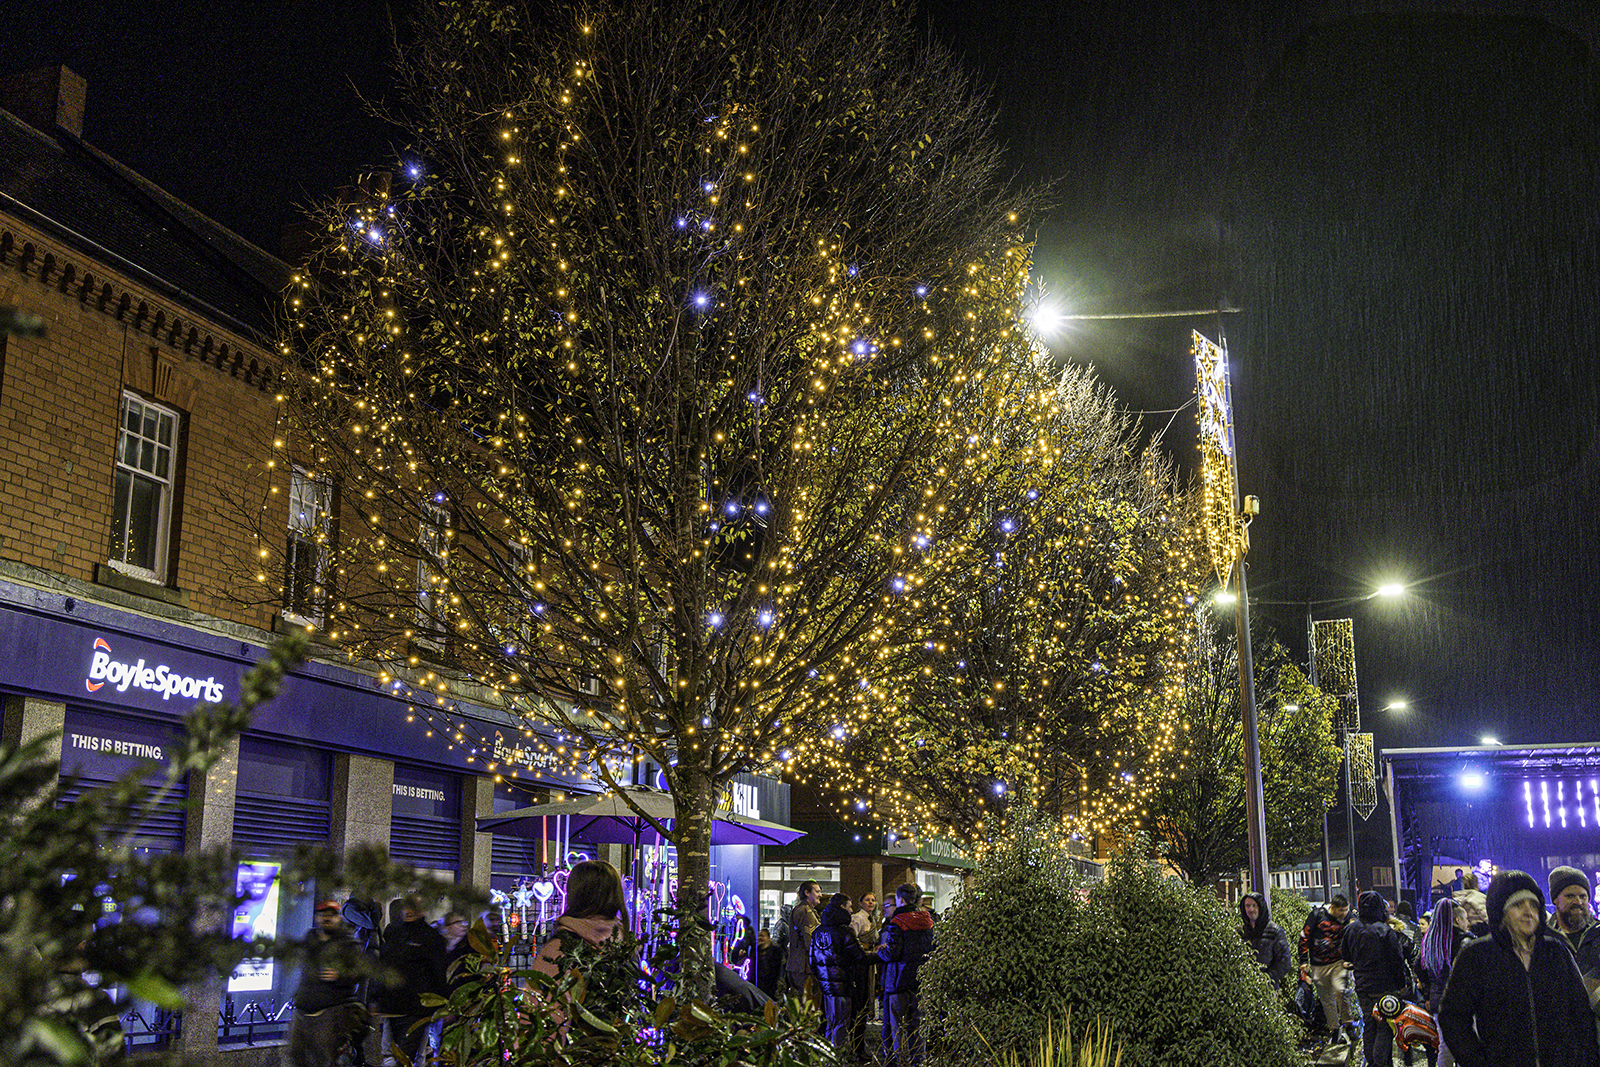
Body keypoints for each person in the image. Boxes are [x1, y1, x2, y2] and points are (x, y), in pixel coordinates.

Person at [1439, 868, 1600, 1067]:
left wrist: (1585, 1060)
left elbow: (1581, 1014)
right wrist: (1478, 1062)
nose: (1528, 912)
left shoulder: (1555, 951)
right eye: (1517, 905)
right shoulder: (1477, 955)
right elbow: (1453, 1018)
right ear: (1501, 910)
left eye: (1533, 905)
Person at [285, 900, 363, 1067]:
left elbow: (359, 973)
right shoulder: (310, 937)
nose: (327, 918)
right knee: (294, 1056)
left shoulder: (348, 943)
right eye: (323, 915)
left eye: (332, 915)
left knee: (324, 1059)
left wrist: (339, 975)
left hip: (329, 1012)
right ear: (316, 917)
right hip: (302, 1009)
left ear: (338, 918)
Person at [374, 894, 447, 1067]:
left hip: (415, 1009)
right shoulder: (394, 934)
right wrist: (375, 997)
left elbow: (438, 973)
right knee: (389, 1055)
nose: (408, 911)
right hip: (391, 1007)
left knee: (405, 1058)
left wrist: (441, 1004)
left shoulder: (430, 938)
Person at [1340, 891, 1410, 1067]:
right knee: (1385, 1026)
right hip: (1385, 987)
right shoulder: (1385, 931)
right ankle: (1379, 1062)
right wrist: (1401, 985)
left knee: (1369, 1023)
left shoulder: (1350, 929)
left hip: (1363, 986)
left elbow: (1346, 956)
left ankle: (1371, 1060)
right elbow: (1397, 961)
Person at [879, 882, 936, 1067]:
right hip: (920, 979)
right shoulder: (927, 920)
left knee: (897, 1026)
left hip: (899, 980)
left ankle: (899, 1060)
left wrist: (881, 951)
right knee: (917, 1025)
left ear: (901, 899)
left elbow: (892, 953)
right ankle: (918, 1059)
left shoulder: (898, 922)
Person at [810, 892, 868, 1054]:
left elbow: (812, 960)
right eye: (849, 907)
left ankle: (827, 1056)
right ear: (842, 907)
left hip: (826, 985)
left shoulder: (818, 931)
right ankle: (837, 1057)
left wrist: (822, 978)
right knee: (841, 1024)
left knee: (831, 1023)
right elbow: (859, 956)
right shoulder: (844, 932)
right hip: (842, 984)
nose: (851, 911)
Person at [1417, 897, 1469, 1067]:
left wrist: (1426, 991)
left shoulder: (1430, 940)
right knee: (1467, 1045)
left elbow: (1418, 966)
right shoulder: (1464, 940)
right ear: (1457, 919)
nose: (1467, 923)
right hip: (1462, 1000)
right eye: (1466, 919)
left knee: (1445, 1045)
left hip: (1438, 1000)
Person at [1300, 893, 1353, 1045]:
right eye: (1341, 910)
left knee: (1341, 991)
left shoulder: (1348, 918)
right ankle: (1335, 1029)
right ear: (1333, 908)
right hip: (1318, 963)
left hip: (1338, 961)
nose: (1344, 913)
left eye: (1346, 910)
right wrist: (1304, 960)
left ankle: (1348, 1024)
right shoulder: (1317, 915)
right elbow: (1305, 936)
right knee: (1326, 999)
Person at [1549, 865, 1600, 1022]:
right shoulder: (1543, 939)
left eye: (1583, 896)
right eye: (1570, 896)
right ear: (1555, 900)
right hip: (1560, 1033)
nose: (1578, 902)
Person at [1240, 891, 1292, 984]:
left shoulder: (1275, 931)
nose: (1251, 909)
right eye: (1247, 906)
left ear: (1261, 907)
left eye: (1254, 905)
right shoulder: (1240, 932)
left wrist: (1266, 979)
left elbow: (1284, 962)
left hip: (1268, 989)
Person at [782, 880, 822, 997]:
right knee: (807, 1002)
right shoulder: (806, 911)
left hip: (798, 965)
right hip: (804, 967)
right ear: (807, 893)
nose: (820, 895)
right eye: (817, 891)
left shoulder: (805, 910)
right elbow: (810, 941)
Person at [1453, 871, 1489, 937]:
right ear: (1476, 884)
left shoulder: (1457, 898)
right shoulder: (1478, 897)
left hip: (1463, 930)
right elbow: (1485, 915)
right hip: (1480, 931)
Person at [754, 927, 783, 999]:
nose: (761, 938)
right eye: (759, 936)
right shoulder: (755, 950)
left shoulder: (776, 951)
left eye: (763, 936)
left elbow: (778, 968)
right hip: (759, 982)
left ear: (768, 937)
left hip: (772, 983)